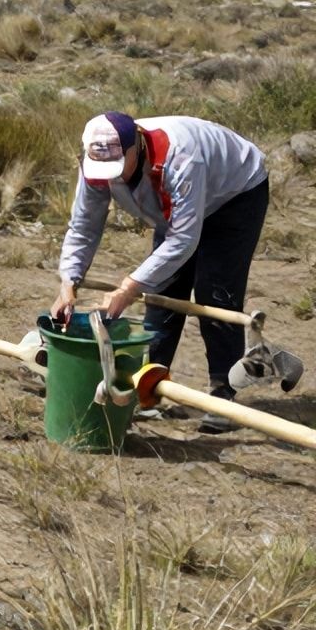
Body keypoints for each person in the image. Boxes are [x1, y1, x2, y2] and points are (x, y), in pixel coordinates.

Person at [51, 112, 270, 432]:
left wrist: (128, 288)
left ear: (135, 147)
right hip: (177, 206)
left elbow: (183, 240)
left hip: (235, 193)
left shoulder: (180, 159)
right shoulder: (97, 164)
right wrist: (68, 282)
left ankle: (223, 393)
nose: (108, 177)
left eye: (115, 168)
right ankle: (149, 386)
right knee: (162, 291)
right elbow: (84, 227)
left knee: (216, 293)